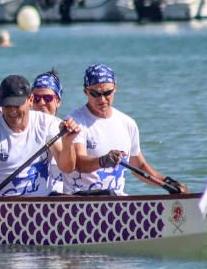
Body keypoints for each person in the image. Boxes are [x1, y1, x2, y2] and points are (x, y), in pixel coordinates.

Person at [0, 75, 80, 223]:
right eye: (7, 106)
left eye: (17, 105)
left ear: (30, 100)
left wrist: (68, 143)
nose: (12, 111)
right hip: (1, 212)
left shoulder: (48, 124)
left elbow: (66, 167)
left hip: (43, 209)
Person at [64, 64, 188, 195]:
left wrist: (168, 182)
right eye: (95, 94)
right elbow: (79, 163)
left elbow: (139, 166)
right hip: (80, 201)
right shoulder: (75, 121)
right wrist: (102, 161)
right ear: (86, 91)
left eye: (107, 93)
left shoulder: (128, 124)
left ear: (115, 88)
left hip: (117, 202)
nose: (102, 99)